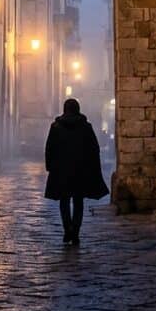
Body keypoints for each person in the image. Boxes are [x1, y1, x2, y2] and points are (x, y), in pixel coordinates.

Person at [44, 97, 109, 245]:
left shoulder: (56, 127)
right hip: (81, 170)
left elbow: (49, 149)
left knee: (64, 201)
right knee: (78, 202)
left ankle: (67, 230)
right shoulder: (86, 127)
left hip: (61, 171)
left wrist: (50, 167)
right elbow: (94, 149)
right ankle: (76, 232)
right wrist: (93, 168)